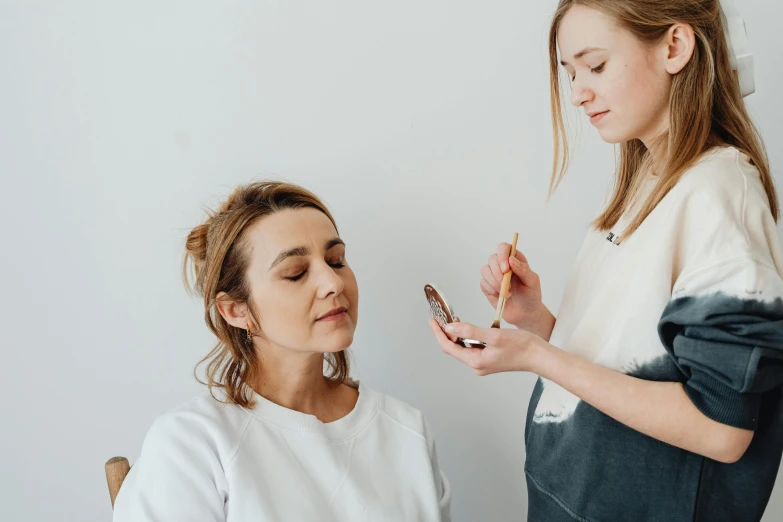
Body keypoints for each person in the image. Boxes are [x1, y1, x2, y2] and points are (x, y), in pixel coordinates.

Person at [429, 1, 783, 521]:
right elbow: (627, 364)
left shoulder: (718, 191)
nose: (577, 93)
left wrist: (535, 355)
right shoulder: (645, 182)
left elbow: (722, 428)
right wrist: (540, 322)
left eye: (595, 66)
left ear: (674, 47)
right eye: (571, 73)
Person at [114, 181, 451, 521]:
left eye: (336, 261)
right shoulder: (192, 445)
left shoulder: (407, 431)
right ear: (235, 310)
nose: (333, 283)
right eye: (296, 273)